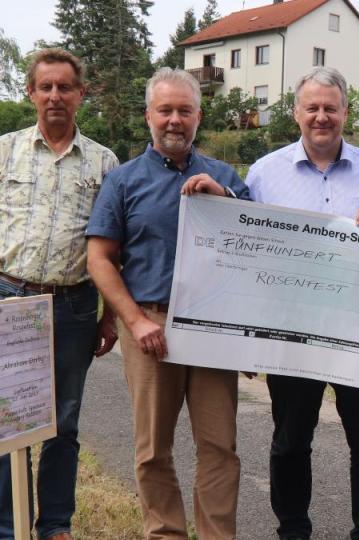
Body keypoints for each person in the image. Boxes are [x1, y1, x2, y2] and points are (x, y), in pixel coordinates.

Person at [0, 47, 118, 540]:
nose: (54, 96)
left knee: (64, 422)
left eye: (64, 87)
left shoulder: (104, 162)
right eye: (45, 87)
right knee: (12, 422)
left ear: (80, 94)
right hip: (11, 301)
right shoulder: (2, 150)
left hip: (74, 305)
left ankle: (54, 526)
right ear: (30, 93)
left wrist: (108, 316)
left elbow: (113, 247)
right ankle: (9, 529)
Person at [244, 66, 359, 540]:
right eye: (312, 108)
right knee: (290, 441)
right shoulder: (263, 174)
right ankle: (293, 528)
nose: (321, 117)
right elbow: (243, 250)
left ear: (346, 112)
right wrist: (247, 336)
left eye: (330, 108)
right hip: (291, 330)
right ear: (296, 113)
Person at [86, 68, 249, 540]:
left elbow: (260, 248)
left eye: (184, 110)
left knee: (220, 447)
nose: (174, 120)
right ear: (148, 116)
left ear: (199, 116)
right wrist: (133, 321)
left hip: (214, 329)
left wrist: (225, 201)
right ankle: (165, 534)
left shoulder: (224, 177)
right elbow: (99, 258)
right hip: (150, 324)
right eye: (165, 110)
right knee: (153, 449)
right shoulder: (122, 181)